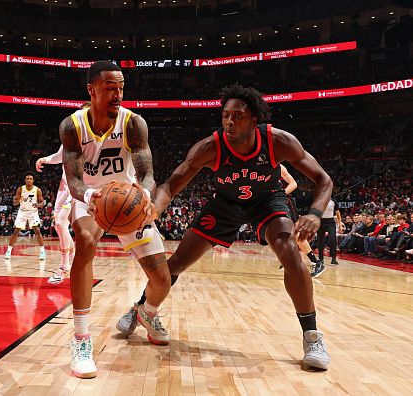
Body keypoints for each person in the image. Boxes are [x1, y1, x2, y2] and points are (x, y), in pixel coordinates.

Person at [117, 84, 332, 370]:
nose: (230, 122)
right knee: (178, 262)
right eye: (225, 116)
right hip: (224, 204)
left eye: (238, 116)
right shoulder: (210, 147)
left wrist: (315, 214)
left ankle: (312, 336)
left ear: (254, 119)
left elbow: (323, 180)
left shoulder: (278, 141)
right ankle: (141, 308)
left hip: (267, 200)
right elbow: (172, 185)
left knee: (290, 252)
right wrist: (155, 206)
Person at [59, 60, 172, 378]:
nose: (117, 93)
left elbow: (148, 173)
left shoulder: (134, 123)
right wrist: (90, 198)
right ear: (91, 90)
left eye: (121, 87)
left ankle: (146, 313)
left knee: (162, 280)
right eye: (110, 88)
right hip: (93, 200)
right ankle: (81, 340)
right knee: (84, 239)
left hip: (129, 200)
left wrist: (146, 195)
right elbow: (74, 179)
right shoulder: (73, 126)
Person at [36, 145, 76, 284]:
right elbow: (60, 156)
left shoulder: (89, 139)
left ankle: (64, 267)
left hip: (77, 187)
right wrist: (45, 159)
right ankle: (73, 257)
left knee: (60, 222)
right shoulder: (69, 137)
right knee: (59, 226)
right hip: (63, 187)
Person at [279, 164, 325, 277]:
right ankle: (290, 258)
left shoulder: (278, 166)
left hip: (285, 203)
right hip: (273, 205)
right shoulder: (259, 168)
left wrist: (281, 195)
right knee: (283, 234)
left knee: (296, 233)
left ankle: (316, 262)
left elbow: (293, 184)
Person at [4, 172, 47, 261]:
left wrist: (38, 205)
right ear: (25, 180)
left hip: (33, 212)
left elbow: (42, 202)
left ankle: (42, 252)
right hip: (22, 211)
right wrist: (16, 200)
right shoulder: (20, 189)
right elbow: (15, 202)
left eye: (30, 179)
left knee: (37, 230)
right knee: (16, 231)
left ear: (33, 180)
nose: (29, 180)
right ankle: (8, 251)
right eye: (27, 179)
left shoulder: (37, 190)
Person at [316, 196, 341, 265]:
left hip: (330, 221)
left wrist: (340, 225)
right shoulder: (319, 200)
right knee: (320, 240)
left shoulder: (333, 201)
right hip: (321, 221)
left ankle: (333, 258)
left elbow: (338, 213)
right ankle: (321, 259)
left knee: (333, 239)